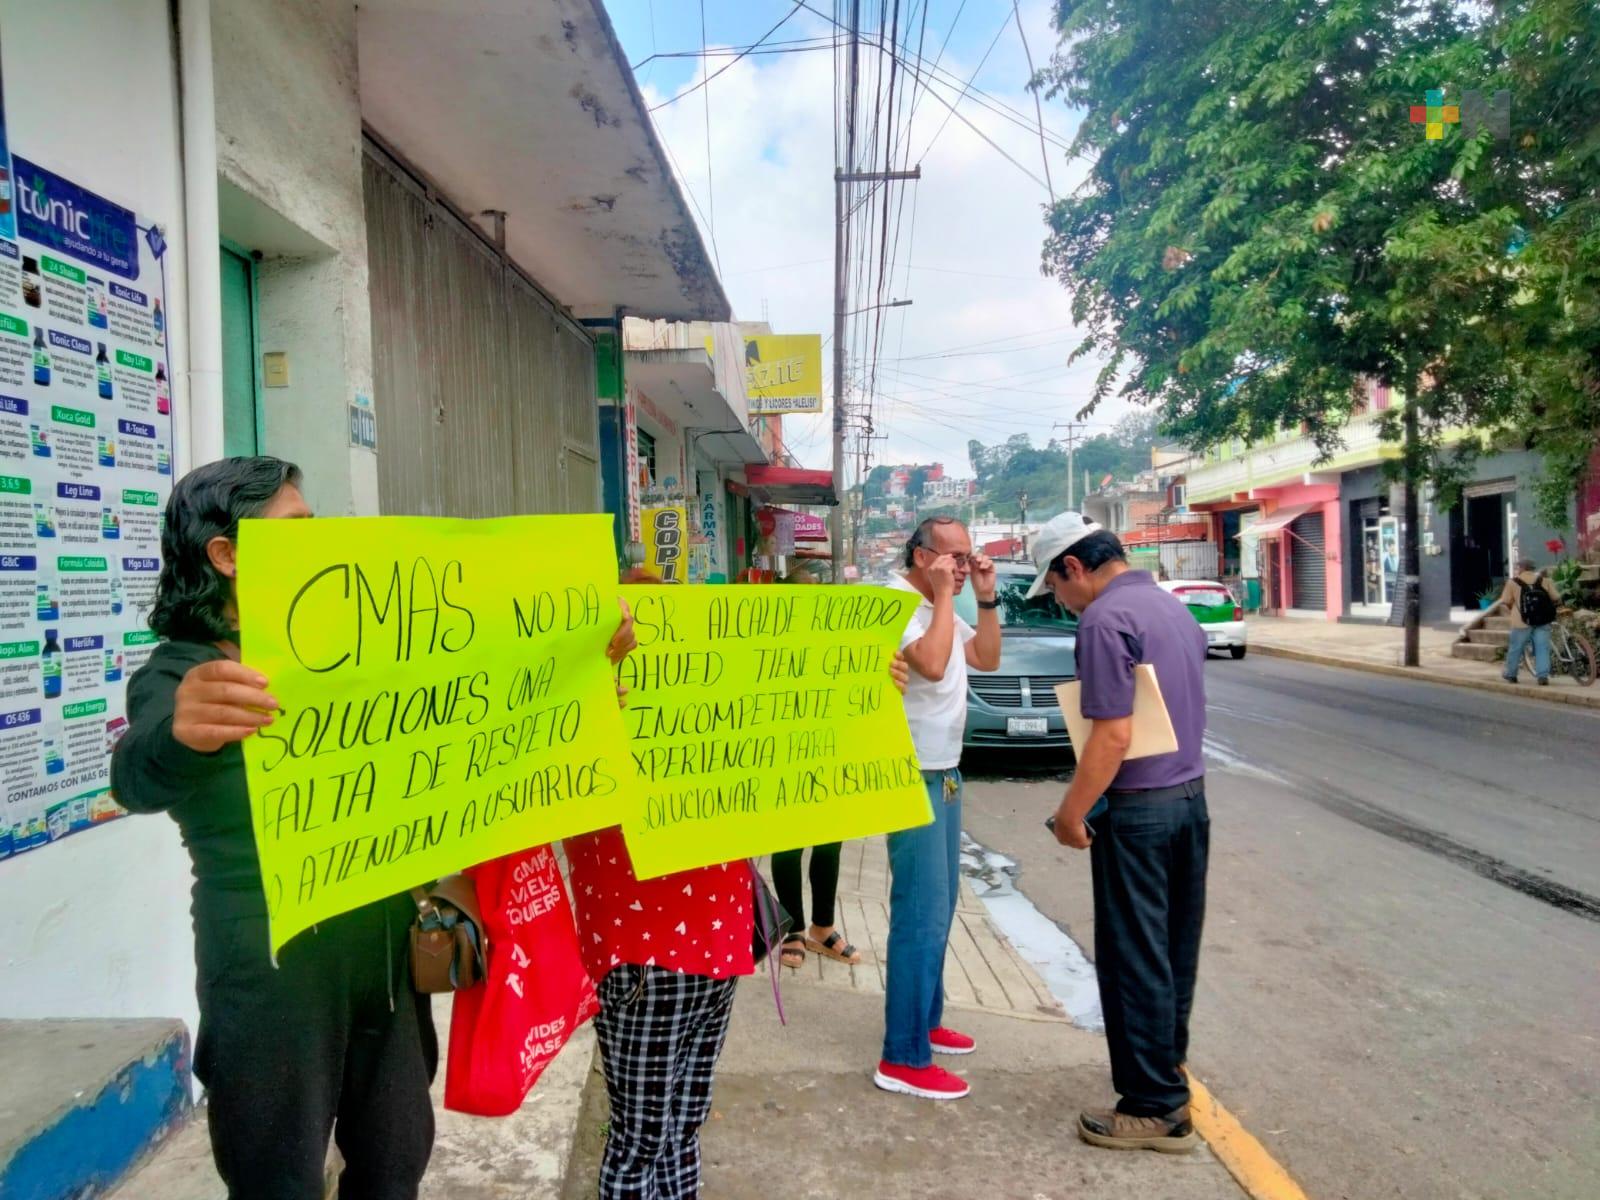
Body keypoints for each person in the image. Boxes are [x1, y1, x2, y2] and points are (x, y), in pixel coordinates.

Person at [111, 457, 636, 1200]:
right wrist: (177, 735)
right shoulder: (182, 673)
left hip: (387, 951)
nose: (319, 541)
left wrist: (584, 662)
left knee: (396, 1161)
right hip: (266, 966)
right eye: (297, 530)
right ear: (226, 555)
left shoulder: (357, 647)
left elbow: (482, 709)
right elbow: (135, 775)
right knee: (277, 1175)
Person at [1030, 513, 1208, 1154]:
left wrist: (1072, 813)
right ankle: (1167, 1073)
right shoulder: (1170, 608)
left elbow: (1112, 735)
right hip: (1189, 801)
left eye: (1054, 587)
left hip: (1138, 810)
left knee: (1134, 958)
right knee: (1169, 952)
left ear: (1073, 567)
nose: (1059, 601)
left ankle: (1152, 1108)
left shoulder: (1104, 620)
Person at [874, 516, 1001, 1101]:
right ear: (923, 556)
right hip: (910, 771)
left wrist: (986, 597)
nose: (961, 565)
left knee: (942, 904)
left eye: (968, 556)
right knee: (919, 914)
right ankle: (902, 1055)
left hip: (946, 770)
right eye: (953, 557)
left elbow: (987, 658)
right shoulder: (895, 602)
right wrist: (948, 595)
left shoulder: (942, 601)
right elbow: (928, 662)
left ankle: (926, 1019)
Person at [1495, 559, 1562, 685]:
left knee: (1516, 648)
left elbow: (1506, 600)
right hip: (1542, 621)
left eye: (1517, 567)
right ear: (1532, 568)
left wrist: (1513, 607)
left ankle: (1511, 674)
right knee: (1542, 648)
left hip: (1521, 621)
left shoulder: (1513, 582)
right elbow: (1556, 597)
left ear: (1521, 568)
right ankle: (1542, 676)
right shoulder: (1545, 580)